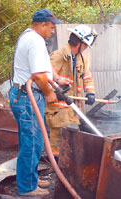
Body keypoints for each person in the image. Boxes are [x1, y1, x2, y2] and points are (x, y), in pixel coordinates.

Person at [8, 9, 61, 197]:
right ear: (42, 24)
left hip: (25, 96)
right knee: (32, 142)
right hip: (28, 97)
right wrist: (49, 93)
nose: (53, 31)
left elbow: (44, 66)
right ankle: (27, 187)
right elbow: (38, 75)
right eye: (52, 27)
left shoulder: (30, 37)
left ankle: (31, 178)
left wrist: (57, 80)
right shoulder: (35, 41)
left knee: (35, 141)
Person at [46, 25, 98, 155]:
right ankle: (55, 163)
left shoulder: (82, 59)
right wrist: (54, 91)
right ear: (78, 43)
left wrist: (90, 92)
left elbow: (87, 77)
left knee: (71, 139)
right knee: (57, 139)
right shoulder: (58, 56)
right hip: (58, 107)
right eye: (85, 45)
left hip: (73, 107)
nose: (86, 48)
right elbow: (45, 77)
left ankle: (66, 162)